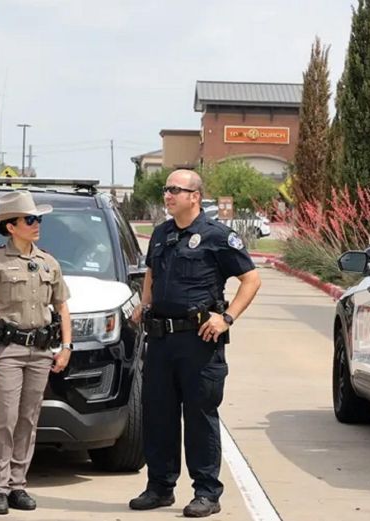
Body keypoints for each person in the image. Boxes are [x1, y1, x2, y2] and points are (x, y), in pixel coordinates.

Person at [128, 170, 261, 518]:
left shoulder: (217, 236)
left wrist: (226, 317)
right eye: (166, 189)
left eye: (175, 190)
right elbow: (152, 275)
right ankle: (159, 487)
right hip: (160, 340)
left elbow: (251, 279)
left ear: (195, 196)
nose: (168, 195)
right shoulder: (161, 234)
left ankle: (206, 491)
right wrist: (145, 305)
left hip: (199, 341)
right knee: (158, 415)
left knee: (200, 416)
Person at [0, 191, 73, 516]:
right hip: (8, 351)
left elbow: (62, 305)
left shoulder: (48, 262)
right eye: (30, 220)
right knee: (5, 420)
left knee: (28, 419)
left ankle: (17, 485)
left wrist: (66, 346)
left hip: (41, 351)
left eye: (38, 218)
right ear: (11, 226)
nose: (36, 224)